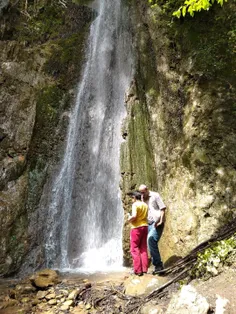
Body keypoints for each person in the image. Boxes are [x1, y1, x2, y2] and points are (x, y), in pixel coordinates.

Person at [138, 184, 166, 275]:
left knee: (150, 239)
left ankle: (158, 265)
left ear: (147, 190)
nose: (142, 194)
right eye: (140, 193)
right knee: (151, 243)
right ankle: (157, 266)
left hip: (157, 223)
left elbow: (162, 208)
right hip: (147, 224)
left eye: (143, 192)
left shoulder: (155, 195)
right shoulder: (142, 198)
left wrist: (161, 220)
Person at [127, 191, 149, 276]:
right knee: (143, 247)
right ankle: (144, 269)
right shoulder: (145, 205)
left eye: (132, 198)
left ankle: (138, 270)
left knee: (134, 248)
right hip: (145, 226)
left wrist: (129, 219)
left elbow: (134, 216)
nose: (132, 200)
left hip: (136, 228)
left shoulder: (135, 205)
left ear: (135, 198)